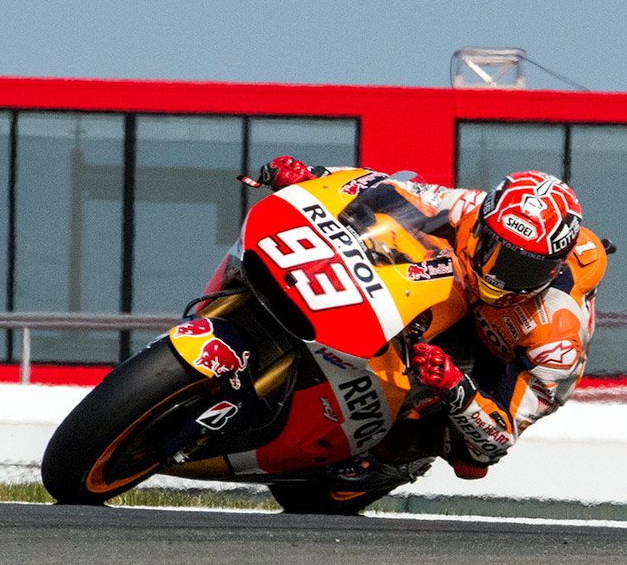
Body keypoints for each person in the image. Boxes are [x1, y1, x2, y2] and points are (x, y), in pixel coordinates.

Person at [256, 156, 608, 480]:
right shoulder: (469, 209)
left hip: (502, 358)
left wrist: (456, 387)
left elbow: (500, 436)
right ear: (485, 224)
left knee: (470, 458)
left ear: (551, 270)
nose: (497, 273)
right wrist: (314, 176)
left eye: (518, 266)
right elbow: (387, 189)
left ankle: (383, 459)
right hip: (456, 290)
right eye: (491, 247)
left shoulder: (558, 336)